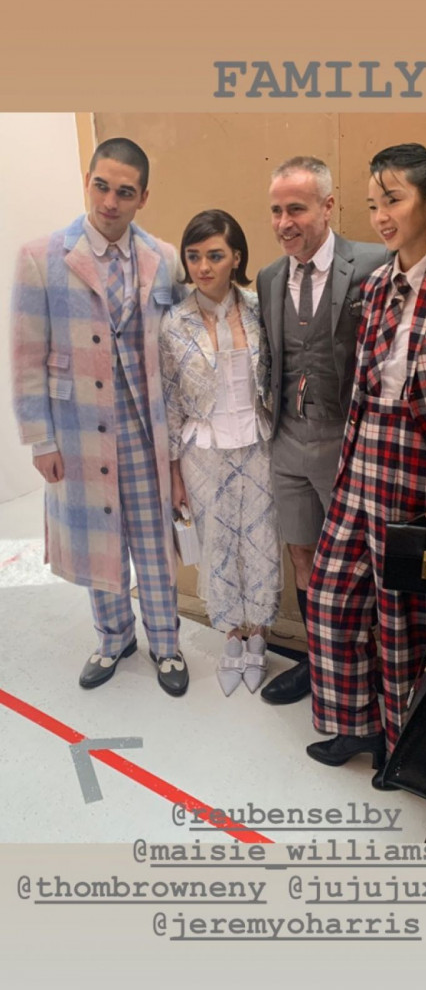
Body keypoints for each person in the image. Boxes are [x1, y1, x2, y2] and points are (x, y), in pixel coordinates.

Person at [304, 143, 426, 783]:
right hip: (363, 461)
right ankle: (358, 724)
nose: (381, 216)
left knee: (406, 621)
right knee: (331, 598)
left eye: (394, 200)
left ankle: (401, 748)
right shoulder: (376, 284)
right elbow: (364, 385)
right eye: (374, 203)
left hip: (421, 472)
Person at [11, 138, 189, 696]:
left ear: (143, 197)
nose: (110, 202)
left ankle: (166, 643)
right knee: (99, 539)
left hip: (145, 429)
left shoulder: (162, 257)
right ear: (88, 181)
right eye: (102, 186)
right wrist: (40, 439)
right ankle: (113, 638)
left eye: (125, 192)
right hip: (79, 429)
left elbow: (180, 345)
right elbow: (26, 355)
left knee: (154, 543)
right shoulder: (41, 256)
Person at [256, 156, 384, 705]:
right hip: (287, 442)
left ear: (328, 206)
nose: (284, 223)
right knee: (302, 556)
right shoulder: (268, 278)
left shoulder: (374, 263)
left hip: (346, 445)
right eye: (276, 211)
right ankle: (319, 665)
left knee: (358, 567)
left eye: (297, 209)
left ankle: (369, 674)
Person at [159, 209, 282, 694]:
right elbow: (170, 403)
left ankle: (260, 639)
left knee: (261, 544)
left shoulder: (259, 309)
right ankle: (232, 638)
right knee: (218, 545)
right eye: (193, 257)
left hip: (258, 446)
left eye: (214, 255)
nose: (203, 267)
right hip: (202, 453)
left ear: (236, 258)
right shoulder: (174, 323)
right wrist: (173, 473)